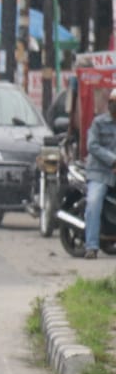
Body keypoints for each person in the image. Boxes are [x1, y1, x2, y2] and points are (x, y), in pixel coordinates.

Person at [84, 90, 116, 259]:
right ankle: (91, 246)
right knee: (94, 202)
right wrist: (113, 161)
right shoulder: (98, 123)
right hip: (99, 172)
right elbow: (93, 146)